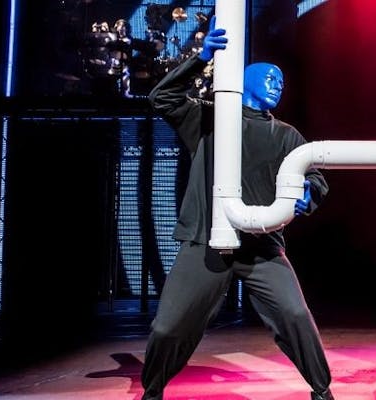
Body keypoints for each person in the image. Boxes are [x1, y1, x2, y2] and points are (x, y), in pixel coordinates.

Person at [141, 18, 336, 400]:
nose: (278, 84)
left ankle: (322, 392)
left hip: (261, 246)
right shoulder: (210, 117)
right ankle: (152, 392)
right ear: (245, 81)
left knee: (296, 318)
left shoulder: (286, 135)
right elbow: (160, 99)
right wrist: (202, 58)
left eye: (282, 80)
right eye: (269, 77)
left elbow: (317, 180)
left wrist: (306, 196)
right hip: (204, 242)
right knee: (168, 328)